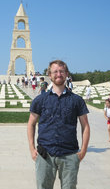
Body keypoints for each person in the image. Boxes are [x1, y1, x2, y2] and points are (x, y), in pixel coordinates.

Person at [27, 60, 90, 189]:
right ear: (49, 75)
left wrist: (83, 151)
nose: (58, 74)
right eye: (55, 71)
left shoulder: (76, 100)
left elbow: (85, 126)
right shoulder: (40, 100)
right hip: (45, 154)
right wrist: (32, 148)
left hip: (69, 154)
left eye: (61, 71)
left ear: (66, 74)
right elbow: (31, 124)